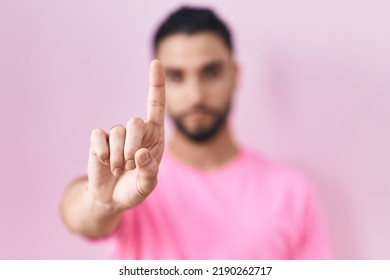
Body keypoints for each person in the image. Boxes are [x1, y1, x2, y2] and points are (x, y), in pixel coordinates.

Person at [61, 6, 332, 259]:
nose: (196, 95)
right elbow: (78, 216)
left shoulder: (292, 191)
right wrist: (102, 202)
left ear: (234, 75)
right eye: (177, 76)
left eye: (211, 72)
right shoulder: (135, 177)